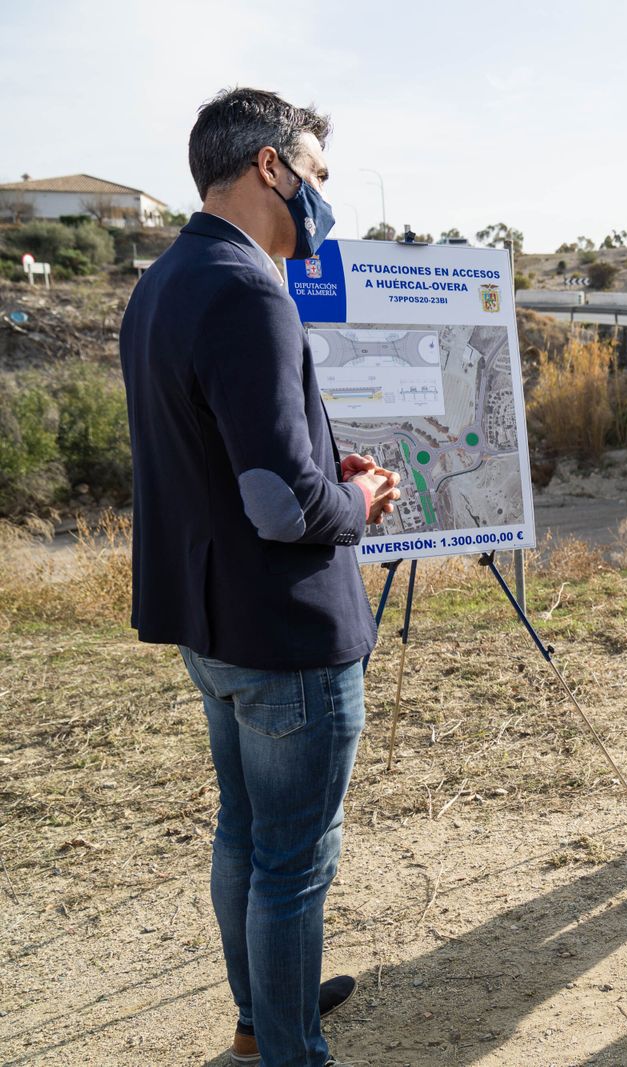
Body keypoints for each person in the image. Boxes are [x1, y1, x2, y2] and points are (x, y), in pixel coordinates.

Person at [120, 87, 398, 1067]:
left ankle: (261, 1008)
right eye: (317, 175)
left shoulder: (165, 280)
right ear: (271, 167)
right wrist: (359, 505)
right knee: (290, 861)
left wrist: (330, 466)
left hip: (211, 623)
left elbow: (224, 454)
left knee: (245, 832)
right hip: (285, 634)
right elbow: (280, 506)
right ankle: (289, 1045)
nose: (323, 199)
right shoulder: (246, 288)